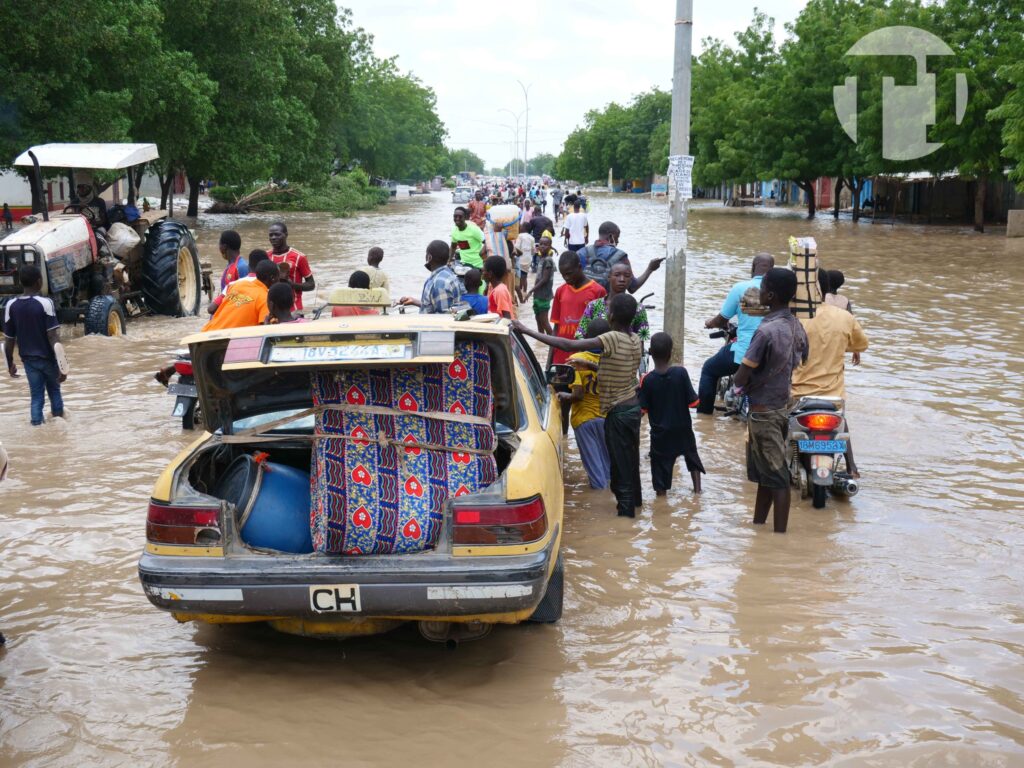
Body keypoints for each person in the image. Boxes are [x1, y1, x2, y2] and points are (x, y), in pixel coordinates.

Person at [514, 293, 643, 517]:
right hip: (633, 409)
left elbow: (568, 343)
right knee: (630, 463)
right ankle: (637, 508)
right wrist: (590, 365)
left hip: (618, 413)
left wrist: (527, 330)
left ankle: (625, 517)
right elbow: (620, 372)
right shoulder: (635, 340)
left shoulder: (611, 338)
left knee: (620, 471)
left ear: (611, 315)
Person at [733, 268, 809, 534]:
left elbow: (742, 376)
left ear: (771, 294)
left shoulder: (765, 331)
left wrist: (737, 381)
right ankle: (758, 527)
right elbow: (803, 358)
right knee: (767, 475)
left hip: (762, 413)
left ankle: (779, 538)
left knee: (777, 477)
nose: (759, 292)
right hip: (780, 407)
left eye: (763, 287)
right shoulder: (796, 325)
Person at [791, 269, 869, 477]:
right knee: (841, 421)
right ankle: (852, 467)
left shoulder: (797, 317)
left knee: (781, 422)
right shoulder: (844, 317)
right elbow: (861, 344)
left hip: (799, 392)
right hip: (833, 395)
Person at [697, 253, 774, 414]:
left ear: (753, 268)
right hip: (773, 355)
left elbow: (721, 319)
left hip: (745, 352)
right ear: (772, 270)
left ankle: (704, 416)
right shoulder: (778, 292)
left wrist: (710, 323)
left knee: (709, 370)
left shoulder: (740, 288)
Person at [638, 332, 705, 495]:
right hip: (683, 430)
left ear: (650, 352)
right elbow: (694, 402)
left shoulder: (647, 380)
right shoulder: (681, 373)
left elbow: (642, 410)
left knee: (660, 469)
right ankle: (697, 492)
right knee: (692, 458)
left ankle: (661, 499)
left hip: (661, 435)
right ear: (671, 353)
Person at [3, 264, 66, 425]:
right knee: (54, 392)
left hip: (29, 361)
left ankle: (37, 427)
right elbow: (53, 336)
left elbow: (9, 339)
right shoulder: (45, 303)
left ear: (21, 282)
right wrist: (62, 365)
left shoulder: (11, 305)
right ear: (39, 282)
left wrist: (9, 363)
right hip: (48, 359)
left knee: (36, 397)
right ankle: (59, 425)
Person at [560, 318, 611, 490]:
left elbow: (578, 395)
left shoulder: (576, 359)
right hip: (607, 419)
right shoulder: (612, 360)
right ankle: (610, 501)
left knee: (596, 474)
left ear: (588, 337)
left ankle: (598, 507)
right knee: (608, 466)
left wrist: (563, 395)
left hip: (584, 421)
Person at [550, 250, 606, 366]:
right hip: (560, 357)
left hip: (584, 358)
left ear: (579, 267)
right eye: (563, 275)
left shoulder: (598, 291)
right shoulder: (560, 291)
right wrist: (550, 360)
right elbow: (556, 328)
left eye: (569, 273)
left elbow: (602, 333)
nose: (566, 278)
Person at [576, 262, 650, 343]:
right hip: (595, 354)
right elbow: (580, 335)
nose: (622, 279)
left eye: (627, 276)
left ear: (631, 279)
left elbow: (641, 340)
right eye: (617, 275)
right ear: (609, 277)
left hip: (626, 354)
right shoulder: (594, 306)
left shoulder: (638, 308)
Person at [580, 221, 664, 293]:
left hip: (584, 303)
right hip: (610, 307)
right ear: (610, 236)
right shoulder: (620, 256)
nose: (618, 241)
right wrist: (650, 269)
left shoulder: (581, 252)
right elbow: (632, 287)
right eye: (617, 237)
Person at [202, 259, 279, 331]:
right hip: (224, 341)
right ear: (273, 278)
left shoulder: (236, 285)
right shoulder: (266, 298)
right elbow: (265, 329)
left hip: (205, 333)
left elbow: (212, 309)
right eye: (278, 277)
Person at [399, 240, 463, 314]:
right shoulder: (448, 274)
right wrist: (414, 301)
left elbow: (443, 316)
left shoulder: (439, 283)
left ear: (429, 257)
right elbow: (437, 306)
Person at [267, 221, 314, 310]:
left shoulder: (299, 257)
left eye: (277, 234)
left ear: (286, 235)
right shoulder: (265, 256)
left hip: (294, 309)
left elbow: (311, 285)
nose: (273, 238)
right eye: (271, 235)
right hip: (272, 309)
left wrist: (291, 285)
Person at [206, 231, 249, 314]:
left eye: (219, 244)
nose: (219, 247)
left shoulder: (241, 267)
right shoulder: (230, 266)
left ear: (224, 247)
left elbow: (245, 296)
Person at [524, 237, 555, 334]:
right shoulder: (541, 259)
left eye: (545, 245)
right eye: (540, 244)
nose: (542, 246)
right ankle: (541, 344)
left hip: (544, 296)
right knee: (538, 319)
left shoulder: (548, 261)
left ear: (550, 247)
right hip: (538, 295)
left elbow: (545, 279)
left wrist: (530, 291)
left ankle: (553, 343)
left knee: (544, 321)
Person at [483, 255, 515, 319]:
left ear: (490, 274)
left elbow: (507, 317)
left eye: (484, 271)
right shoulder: (491, 286)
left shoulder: (500, 291)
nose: (482, 273)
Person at [513, 228, 535, 301]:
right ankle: (524, 292)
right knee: (524, 276)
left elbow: (516, 247)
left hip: (520, 259)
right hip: (528, 259)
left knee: (518, 278)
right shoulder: (532, 238)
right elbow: (533, 251)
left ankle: (520, 295)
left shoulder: (520, 236)